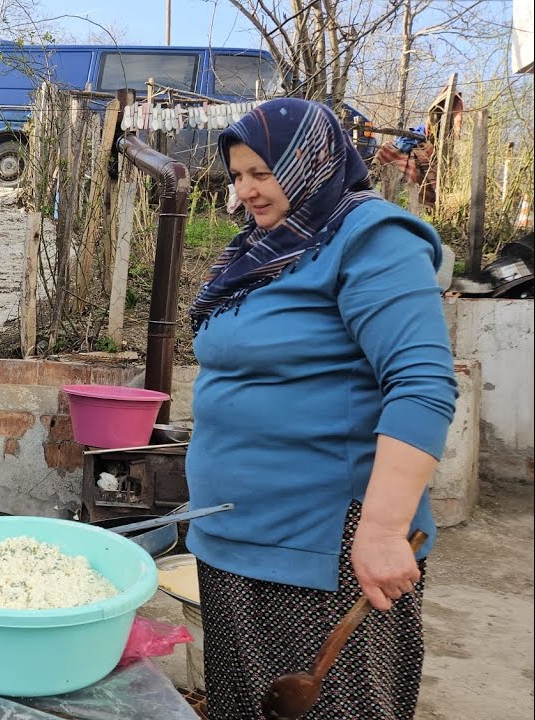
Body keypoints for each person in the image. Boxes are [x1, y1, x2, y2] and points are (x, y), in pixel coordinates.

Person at [184, 98, 457, 719]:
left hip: (323, 548)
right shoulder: (263, 251)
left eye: (263, 171)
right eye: (237, 175)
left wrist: (385, 531)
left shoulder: (371, 239)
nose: (247, 190)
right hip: (233, 535)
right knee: (248, 707)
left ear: (311, 161)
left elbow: (421, 383)